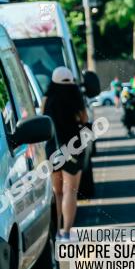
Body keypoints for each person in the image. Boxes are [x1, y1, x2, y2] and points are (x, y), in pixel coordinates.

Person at [42, 67, 89, 241]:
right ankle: (66, 232)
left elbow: (43, 119)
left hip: (53, 147)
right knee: (71, 190)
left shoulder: (47, 99)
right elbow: (84, 119)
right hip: (73, 146)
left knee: (57, 191)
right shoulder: (75, 96)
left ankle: (55, 231)